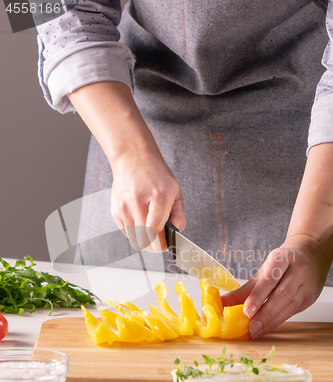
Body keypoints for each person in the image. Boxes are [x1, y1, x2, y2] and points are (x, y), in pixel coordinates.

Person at [36, 0, 333, 339]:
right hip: (131, 136)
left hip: (310, 173)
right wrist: (128, 154)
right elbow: (57, 14)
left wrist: (312, 239)